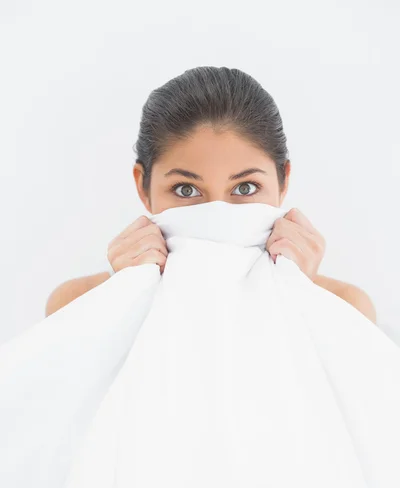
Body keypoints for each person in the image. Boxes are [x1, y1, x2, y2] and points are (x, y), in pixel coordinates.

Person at [45, 66, 376, 324]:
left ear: (282, 182)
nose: (216, 212)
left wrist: (302, 297)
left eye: (244, 188)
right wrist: (119, 298)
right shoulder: (76, 303)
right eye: (186, 190)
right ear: (143, 187)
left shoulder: (346, 307)